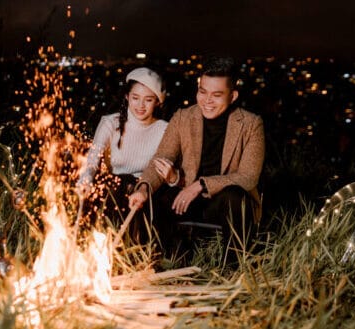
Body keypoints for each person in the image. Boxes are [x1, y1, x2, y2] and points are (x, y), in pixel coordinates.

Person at [128, 57, 265, 264]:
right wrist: (144, 188)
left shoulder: (251, 124)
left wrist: (200, 185)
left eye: (216, 95)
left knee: (235, 197)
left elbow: (248, 177)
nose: (207, 101)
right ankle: (164, 263)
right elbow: (161, 159)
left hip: (222, 202)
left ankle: (234, 270)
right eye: (203, 92)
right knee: (152, 197)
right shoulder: (183, 117)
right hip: (185, 200)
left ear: (233, 96)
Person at [77, 67, 168, 241]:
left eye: (148, 100)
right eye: (135, 98)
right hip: (115, 187)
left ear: (157, 102)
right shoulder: (110, 123)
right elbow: (93, 158)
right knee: (112, 193)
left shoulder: (163, 129)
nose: (140, 106)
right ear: (127, 97)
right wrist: (86, 178)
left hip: (147, 189)